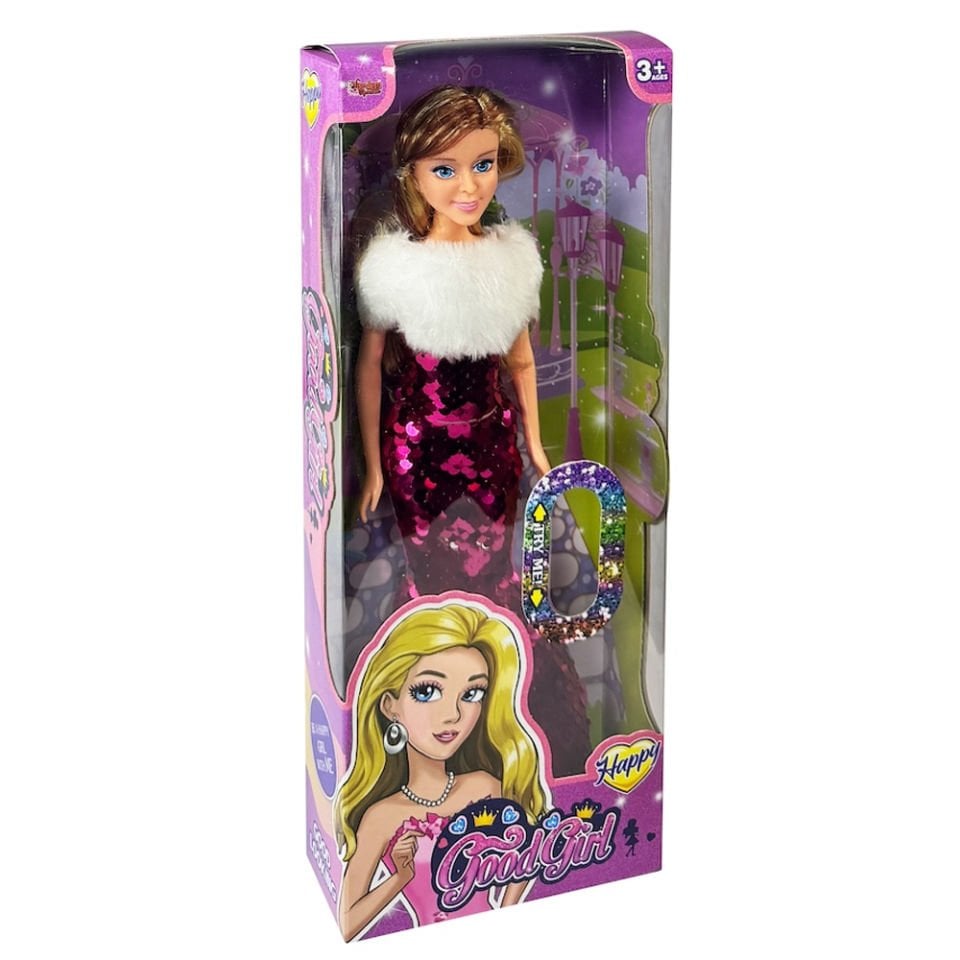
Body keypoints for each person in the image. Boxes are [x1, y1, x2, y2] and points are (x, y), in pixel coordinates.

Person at [353, 85, 590, 777]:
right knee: (428, 582)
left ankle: (512, 724)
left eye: (483, 164)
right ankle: (431, 733)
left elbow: (521, 361)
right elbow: (369, 366)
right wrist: (374, 466)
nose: (469, 185)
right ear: (414, 174)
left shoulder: (510, 259)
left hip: (492, 450)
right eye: (446, 169)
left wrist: (536, 448)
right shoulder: (395, 266)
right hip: (416, 452)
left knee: (498, 577)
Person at [335, 602, 548, 940]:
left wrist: (508, 910)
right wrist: (399, 878)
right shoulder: (382, 817)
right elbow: (347, 923)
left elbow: (527, 855)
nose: (453, 714)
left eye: (472, 693)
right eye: (427, 691)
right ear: (390, 705)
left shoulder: (485, 788)